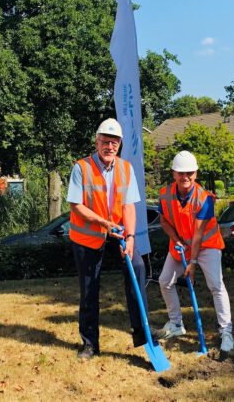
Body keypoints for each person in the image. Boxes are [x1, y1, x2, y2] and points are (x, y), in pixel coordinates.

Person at [67, 118, 149, 360]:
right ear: (97, 142)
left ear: (120, 144)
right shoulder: (81, 167)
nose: (109, 146)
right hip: (87, 238)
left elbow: (129, 206)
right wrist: (104, 223)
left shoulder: (126, 168)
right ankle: (90, 344)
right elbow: (76, 205)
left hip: (119, 233)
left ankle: (142, 334)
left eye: (114, 142)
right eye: (105, 142)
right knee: (89, 289)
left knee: (137, 267)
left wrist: (131, 237)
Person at [155, 151, 234, 352]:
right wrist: (176, 240)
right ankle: (176, 324)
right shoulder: (165, 194)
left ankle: (226, 331)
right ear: (174, 174)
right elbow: (164, 221)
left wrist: (192, 264)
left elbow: (198, 235)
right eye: (181, 173)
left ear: (196, 173)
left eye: (189, 173)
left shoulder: (204, 198)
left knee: (216, 285)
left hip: (207, 245)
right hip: (181, 244)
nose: (185, 177)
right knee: (165, 281)